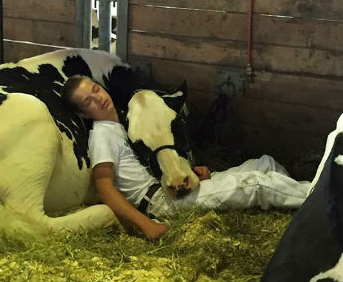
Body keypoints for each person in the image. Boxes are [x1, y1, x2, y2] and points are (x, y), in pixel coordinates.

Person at [61, 75, 311, 240]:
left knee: (264, 162)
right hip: (160, 202)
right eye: (88, 102)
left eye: (95, 89)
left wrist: (190, 171)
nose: (99, 98)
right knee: (256, 183)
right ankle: (321, 199)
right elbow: (104, 187)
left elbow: (156, 162)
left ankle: (297, 212)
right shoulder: (102, 135)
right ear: (83, 114)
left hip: (170, 186)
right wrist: (145, 225)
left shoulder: (126, 121)